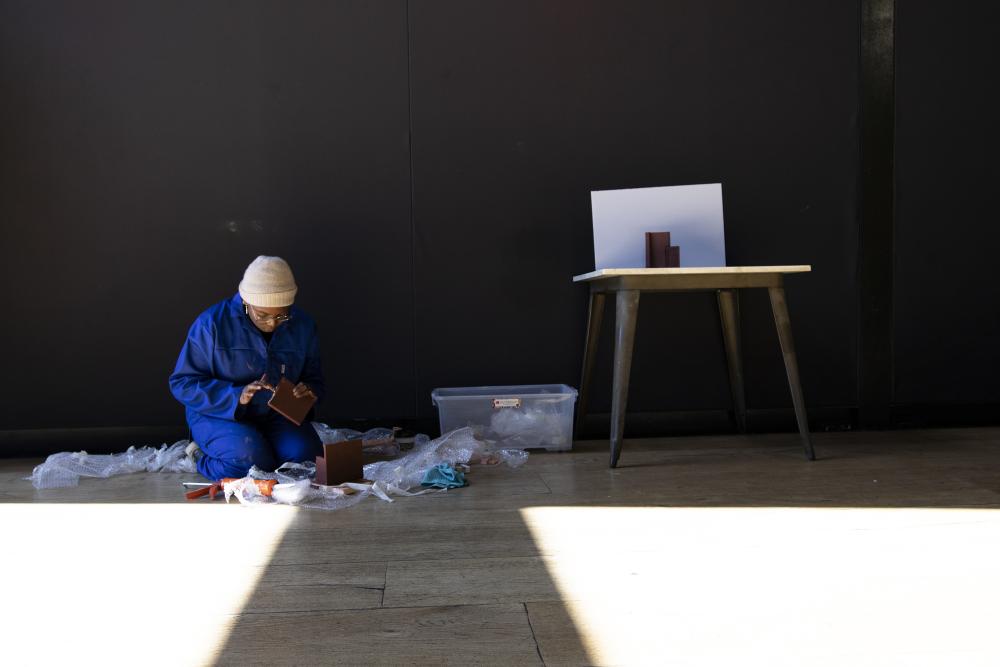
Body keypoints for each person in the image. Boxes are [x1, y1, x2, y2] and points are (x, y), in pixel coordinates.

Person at [169, 256, 325, 480]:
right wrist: (236, 396)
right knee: (250, 465)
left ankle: (265, 448)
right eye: (262, 315)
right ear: (246, 302)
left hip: (276, 414)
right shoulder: (211, 324)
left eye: (281, 315)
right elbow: (182, 383)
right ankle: (199, 456)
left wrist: (309, 391)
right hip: (218, 414)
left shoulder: (303, 325)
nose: (272, 324)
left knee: (307, 461)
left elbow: (315, 379)